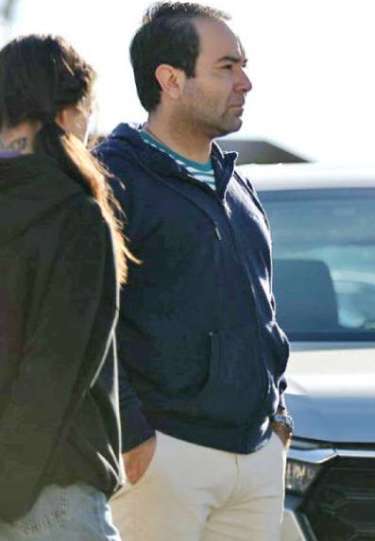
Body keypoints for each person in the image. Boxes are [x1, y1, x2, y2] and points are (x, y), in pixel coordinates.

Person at [96, 3, 292, 540]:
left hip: (255, 457)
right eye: (227, 67)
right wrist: (132, 432)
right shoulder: (112, 180)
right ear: (171, 80)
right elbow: (87, 321)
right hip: (162, 458)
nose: (245, 82)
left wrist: (279, 414)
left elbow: (265, 312)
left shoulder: (238, 187)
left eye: (243, 66)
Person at [0, 34, 131, 541]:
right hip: (47, 490)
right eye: (86, 108)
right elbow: (54, 368)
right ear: (66, 112)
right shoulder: (75, 216)